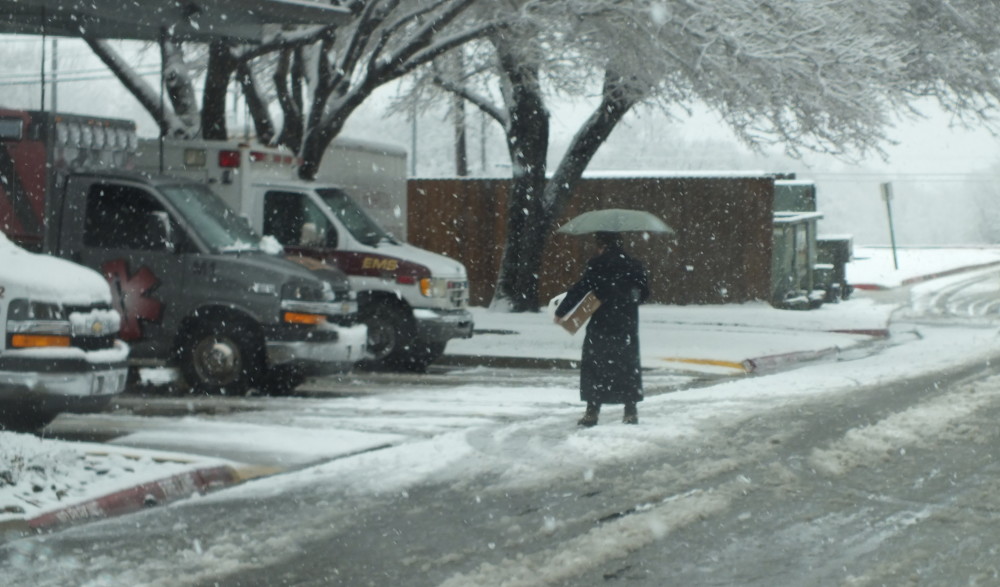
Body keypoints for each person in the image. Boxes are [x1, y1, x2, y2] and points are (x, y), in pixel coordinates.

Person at [555, 231, 650, 426]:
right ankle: (630, 410)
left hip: (601, 321)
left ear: (602, 245)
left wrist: (562, 311)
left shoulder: (597, 265)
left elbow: (581, 288)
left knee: (595, 365)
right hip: (626, 322)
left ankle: (592, 411)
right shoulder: (634, 265)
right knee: (627, 364)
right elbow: (644, 293)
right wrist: (628, 298)